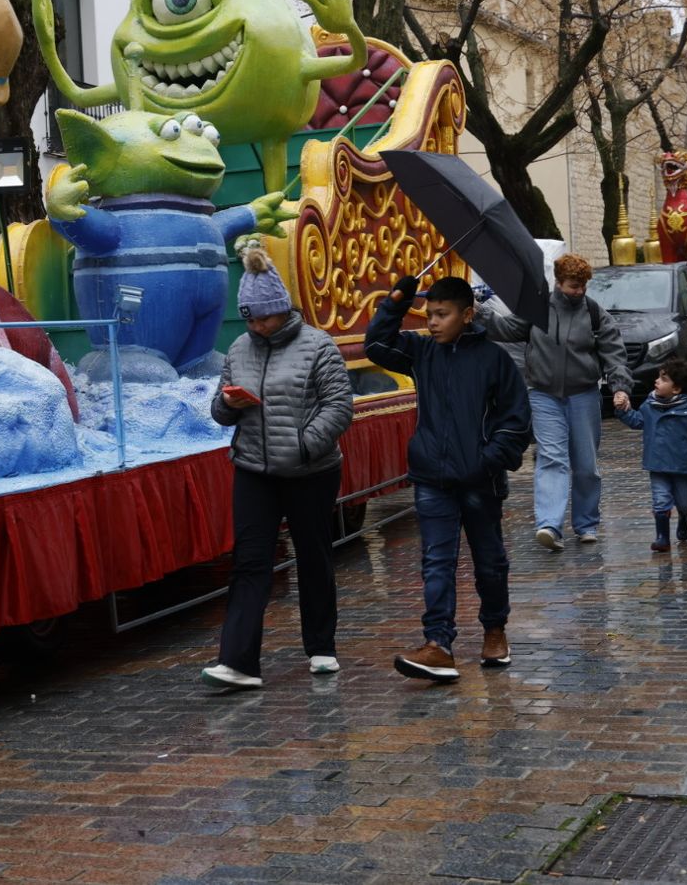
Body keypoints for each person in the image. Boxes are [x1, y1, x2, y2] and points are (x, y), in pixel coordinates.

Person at [202, 240, 353, 690]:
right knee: (249, 562)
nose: (258, 326)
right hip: (253, 470)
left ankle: (322, 646)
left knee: (313, 557)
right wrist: (227, 405)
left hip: (311, 471)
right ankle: (239, 661)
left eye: (264, 316)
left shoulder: (317, 346)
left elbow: (339, 406)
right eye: (249, 317)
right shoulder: (239, 350)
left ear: (281, 309)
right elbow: (218, 407)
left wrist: (307, 444)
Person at [365, 274, 531, 679]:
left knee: (489, 562)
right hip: (432, 479)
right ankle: (438, 643)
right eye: (429, 314)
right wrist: (397, 302)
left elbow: (517, 422)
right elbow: (376, 346)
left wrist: (486, 460)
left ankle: (494, 629)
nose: (432, 323)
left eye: (442, 314)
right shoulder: (421, 352)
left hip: (480, 481)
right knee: (436, 562)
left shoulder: (494, 359)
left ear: (467, 314)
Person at [480, 253, 630, 551]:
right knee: (551, 459)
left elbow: (614, 352)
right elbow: (508, 329)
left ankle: (586, 524)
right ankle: (549, 525)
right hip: (543, 394)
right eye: (574, 285)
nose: (580, 291)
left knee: (586, 465)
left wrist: (620, 386)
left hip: (584, 395)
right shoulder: (538, 309)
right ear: (559, 282)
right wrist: (480, 313)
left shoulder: (594, 313)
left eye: (584, 285)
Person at [613, 357, 687, 552]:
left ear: (676, 389)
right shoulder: (649, 404)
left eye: (663, 379)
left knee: (684, 500)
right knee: (660, 499)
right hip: (656, 464)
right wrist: (623, 410)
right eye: (658, 378)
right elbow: (637, 421)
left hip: (681, 465)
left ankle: (684, 516)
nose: (657, 382)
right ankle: (662, 537)